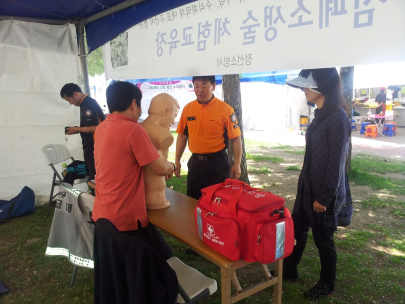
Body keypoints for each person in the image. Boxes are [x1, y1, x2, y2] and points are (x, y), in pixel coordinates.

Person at [283, 68, 353, 300]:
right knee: (298, 228)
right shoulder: (320, 114)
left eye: (306, 85)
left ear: (321, 87)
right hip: (307, 186)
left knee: (323, 239)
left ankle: (327, 283)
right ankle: (290, 268)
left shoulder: (338, 118)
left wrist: (323, 198)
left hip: (324, 191)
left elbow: (336, 164)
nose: (303, 90)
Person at [91, 81, 176, 260]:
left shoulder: (101, 128)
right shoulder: (133, 129)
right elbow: (160, 167)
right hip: (126, 218)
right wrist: (174, 166)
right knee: (164, 257)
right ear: (133, 104)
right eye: (140, 106)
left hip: (102, 214)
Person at [175, 75, 242, 200]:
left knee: (219, 201)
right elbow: (182, 136)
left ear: (213, 86)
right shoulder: (188, 109)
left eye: (204, 86)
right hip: (195, 163)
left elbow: (236, 138)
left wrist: (237, 163)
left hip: (218, 163)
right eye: (196, 85)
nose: (200, 89)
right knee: (193, 200)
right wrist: (177, 160)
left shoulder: (226, 110)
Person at [141, 93, 180, 210]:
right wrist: (172, 167)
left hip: (142, 194)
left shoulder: (139, 128)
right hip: (156, 197)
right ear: (164, 111)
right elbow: (161, 168)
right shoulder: (163, 134)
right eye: (174, 116)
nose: (173, 122)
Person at [60, 83, 105, 180]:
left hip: (95, 148)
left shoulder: (89, 104)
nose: (70, 103)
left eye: (69, 100)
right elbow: (88, 127)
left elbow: (96, 128)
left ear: (75, 94)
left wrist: (77, 129)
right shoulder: (84, 105)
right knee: (91, 175)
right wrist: (76, 130)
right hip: (89, 148)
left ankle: (96, 195)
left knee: (96, 177)